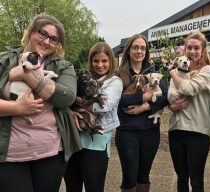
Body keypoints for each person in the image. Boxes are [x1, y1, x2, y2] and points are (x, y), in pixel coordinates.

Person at [0, 13, 81, 192]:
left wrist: (24, 74)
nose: (46, 41)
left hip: (50, 153)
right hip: (10, 155)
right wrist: (17, 108)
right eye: (42, 34)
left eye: (54, 39)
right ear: (30, 31)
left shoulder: (63, 66)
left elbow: (66, 97)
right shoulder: (4, 60)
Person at [64, 42, 123, 192]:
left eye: (104, 61)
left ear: (111, 61)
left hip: (96, 143)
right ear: (90, 61)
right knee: (72, 186)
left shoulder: (114, 82)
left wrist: (75, 99)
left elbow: (103, 107)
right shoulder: (81, 77)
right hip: (73, 139)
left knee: (94, 187)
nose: (100, 65)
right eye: (96, 61)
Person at [116, 34, 169, 192]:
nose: (139, 51)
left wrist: (144, 107)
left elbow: (165, 97)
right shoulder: (119, 74)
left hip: (150, 132)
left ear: (146, 51)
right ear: (128, 50)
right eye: (135, 47)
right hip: (127, 132)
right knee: (129, 177)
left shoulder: (153, 73)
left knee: (144, 176)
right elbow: (117, 100)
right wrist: (143, 96)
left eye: (143, 48)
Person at [167, 31, 210, 192]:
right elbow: (170, 98)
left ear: (203, 51)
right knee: (181, 177)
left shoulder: (208, 70)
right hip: (176, 129)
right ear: (184, 50)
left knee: (196, 180)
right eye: (189, 48)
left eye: (196, 48)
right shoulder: (180, 72)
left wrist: (172, 72)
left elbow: (189, 89)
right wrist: (171, 107)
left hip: (198, 131)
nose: (192, 51)